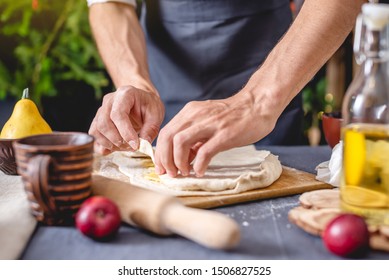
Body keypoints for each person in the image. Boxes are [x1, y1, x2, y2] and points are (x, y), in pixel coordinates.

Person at [87, 0, 365, 178]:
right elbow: (110, 3)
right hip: (167, 77)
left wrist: (257, 102)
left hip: (275, 75)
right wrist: (135, 82)